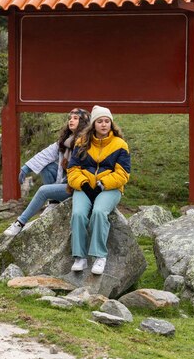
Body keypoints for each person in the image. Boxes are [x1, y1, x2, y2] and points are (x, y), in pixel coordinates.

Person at [3, 108, 90, 237]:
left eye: (75, 118)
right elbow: (46, 154)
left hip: (78, 187)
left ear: (84, 122)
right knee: (46, 166)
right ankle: (54, 202)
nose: (71, 120)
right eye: (70, 118)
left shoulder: (87, 142)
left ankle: (20, 223)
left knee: (43, 190)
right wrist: (26, 168)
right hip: (67, 182)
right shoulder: (66, 140)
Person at [66, 105, 131, 274]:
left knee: (99, 212)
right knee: (78, 214)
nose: (104, 124)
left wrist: (102, 184)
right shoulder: (81, 143)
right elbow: (72, 170)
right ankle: (79, 257)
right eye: (100, 121)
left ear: (111, 123)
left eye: (107, 121)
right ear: (93, 124)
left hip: (110, 188)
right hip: (84, 186)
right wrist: (84, 185)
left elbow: (123, 174)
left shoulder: (120, 145)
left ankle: (99, 256)